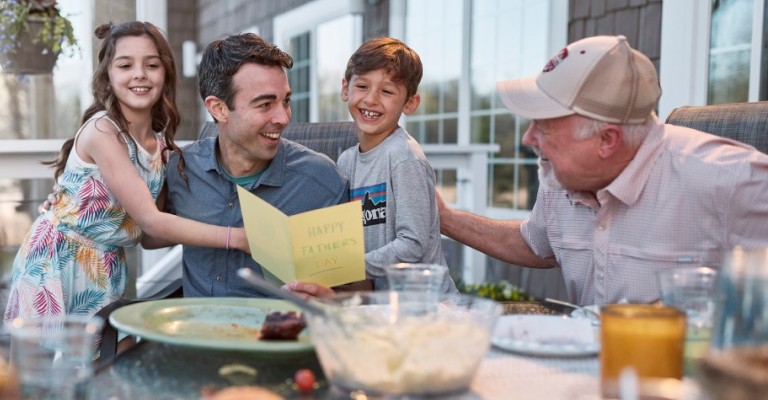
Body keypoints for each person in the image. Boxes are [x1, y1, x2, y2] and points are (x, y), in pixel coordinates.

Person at [437, 35, 768, 306]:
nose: (528, 138)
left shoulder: (731, 179)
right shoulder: (561, 175)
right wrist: (446, 218)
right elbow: (535, 243)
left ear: (607, 140)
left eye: (544, 125)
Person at [3, 21, 249, 323]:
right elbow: (152, 221)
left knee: (93, 364)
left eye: (152, 64)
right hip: (56, 262)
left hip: (105, 269)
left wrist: (218, 221)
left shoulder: (160, 149)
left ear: (165, 73)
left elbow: (148, 236)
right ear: (108, 77)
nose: (139, 74)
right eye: (125, 65)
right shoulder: (103, 131)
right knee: (39, 366)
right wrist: (236, 237)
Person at [164, 33, 351, 297]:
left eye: (285, 101)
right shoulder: (181, 169)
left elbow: (355, 294)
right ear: (218, 109)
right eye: (265, 104)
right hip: (192, 333)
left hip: (278, 333)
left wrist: (331, 300)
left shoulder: (323, 182)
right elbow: (148, 235)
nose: (283, 118)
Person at [289, 37, 457, 298]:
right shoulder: (346, 162)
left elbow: (412, 245)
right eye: (362, 86)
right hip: (381, 306)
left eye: (387, 91)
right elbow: (344, 236)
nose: (371, 99)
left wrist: (347, 268)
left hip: (428, 307)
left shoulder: (404, 157)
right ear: (345, 88)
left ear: (410, 103)